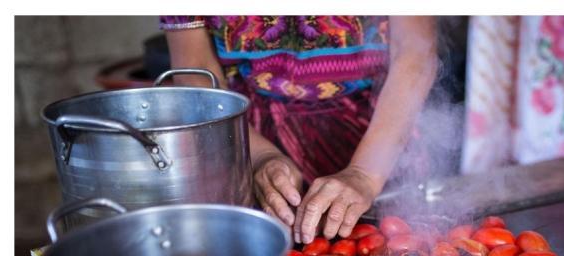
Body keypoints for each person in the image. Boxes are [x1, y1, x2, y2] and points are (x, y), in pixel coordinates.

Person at [161, 16, 437, 244]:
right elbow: (195, 70)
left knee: (397, 246)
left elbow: (415, 53)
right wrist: (259, 157)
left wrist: (364, 174)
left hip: (381, 132)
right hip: (244, 128)